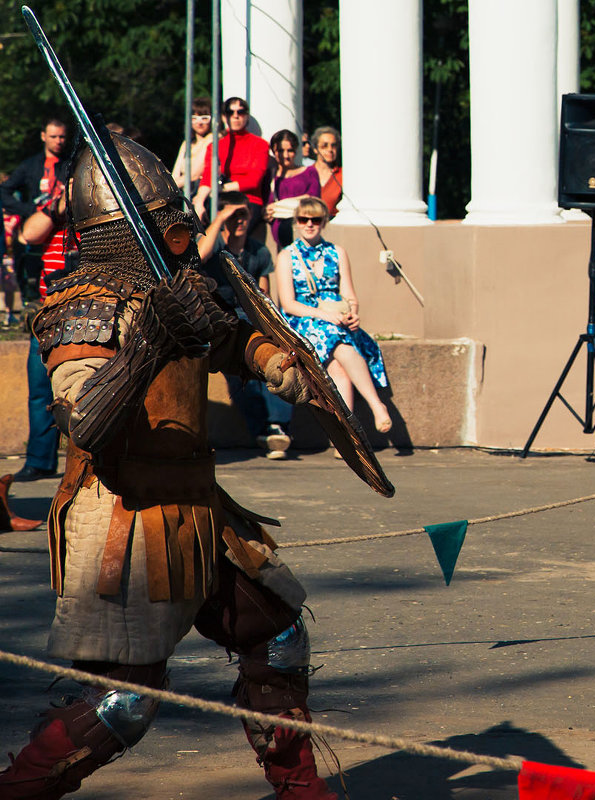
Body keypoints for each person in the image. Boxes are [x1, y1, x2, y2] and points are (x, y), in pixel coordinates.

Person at [0, 132, 339, 800]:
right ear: (124, 231)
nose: (178, 229)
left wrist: (272, 360)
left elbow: (227, 334)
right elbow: (87, 421)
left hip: (199, 508)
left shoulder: (177, 288)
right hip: (121, 519)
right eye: (162, 221)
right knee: (124, 705)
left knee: (279, 636)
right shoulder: (82, 308)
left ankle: (302, 792)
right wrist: (148, 344)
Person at [276, 195, 391, 434]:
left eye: (315, 219)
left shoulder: (337, 252)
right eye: (304, 219)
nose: (309, 224)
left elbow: (349, 295)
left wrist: (353, 314)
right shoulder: (287, 255)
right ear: (296, 222)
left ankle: (346, 436)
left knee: (338, 366)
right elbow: (288, 305)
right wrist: (323, 315)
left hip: (336, 322)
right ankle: (376, 405)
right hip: (303, 321)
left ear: (324, 222)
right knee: (336, 338)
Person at [197, 190, 295, 459]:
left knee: (276, 363)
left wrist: (275, 327)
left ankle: (277, 427)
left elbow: (264, 296)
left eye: (244, 214)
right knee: (241, 377)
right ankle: (263, 430)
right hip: (221, 320)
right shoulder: (215, 246)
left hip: (251, 319)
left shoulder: (258, 251)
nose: (240, 220)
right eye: (234, 214)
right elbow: (198, 256)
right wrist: (220, 219)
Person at [10, 175, 72, 484]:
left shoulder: (102, 219)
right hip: (50, 312)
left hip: (89, 312)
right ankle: (39, 460)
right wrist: (59, 206)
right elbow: (29, 234)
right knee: (39, 389)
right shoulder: (54, 214)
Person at [1, 118, 70, 304]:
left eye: (62, 137)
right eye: (53, 136)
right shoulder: (29, 166)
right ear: (43, 136)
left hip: (63, 237)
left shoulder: (71, 164)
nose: (58, 141)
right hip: (35, 234)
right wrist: (28, 210)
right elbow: (4, 191)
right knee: (34, 290)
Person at [192, 97, 270, 234]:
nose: (235, 116)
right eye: (230, 112)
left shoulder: (260, 145)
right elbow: (208, 175)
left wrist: (221, 188)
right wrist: (199, 202)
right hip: (222, 201)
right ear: (223, 117)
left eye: (241, 112)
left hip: (249, 200)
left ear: (246, 116)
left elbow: (254, 180)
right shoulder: (215, 146)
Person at [264, 130, 320, 249]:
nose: (286, 155)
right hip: (279, 234)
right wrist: (266, 212)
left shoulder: (309, 172)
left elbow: (314, 199)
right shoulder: (270, 177)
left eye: (290, 150)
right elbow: (266, 204)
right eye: (280, 151)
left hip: (304, 229)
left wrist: (280, 206)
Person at [170, 97, 214, 193]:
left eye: (204, 118)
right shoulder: (186, 144)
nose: (199, 123)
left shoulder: (212, 139)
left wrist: (169, 189)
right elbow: (175, 173)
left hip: (199, 191)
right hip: (183, 191)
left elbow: (194, 173)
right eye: (194, 118)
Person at [310, 126, 343, 219]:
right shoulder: (305, 173)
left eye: (334, 145)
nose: (330, 149)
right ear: (315, 149)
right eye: (324, 146)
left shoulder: (343, 175)